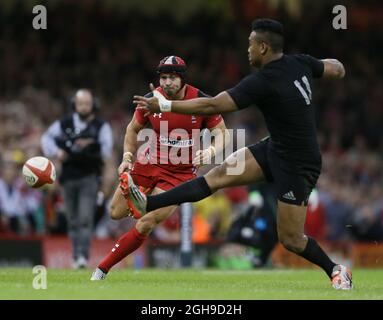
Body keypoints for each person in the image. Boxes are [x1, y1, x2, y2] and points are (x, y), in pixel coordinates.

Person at [127, 19, 353, 290]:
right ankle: (148, 205)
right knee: (219, 175)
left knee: (291, 239)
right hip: (275, 147)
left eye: (250, 45)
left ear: (263, 47)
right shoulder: (300, 62)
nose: (248, 50)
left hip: (298, 163)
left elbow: (211, 105)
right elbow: (336, 68)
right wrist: (337, 69)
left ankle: (336, 269)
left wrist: (165, 103)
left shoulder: (262, 81)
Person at [90, 56, 228, 280]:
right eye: (163, 77)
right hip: (148, 163)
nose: (167, 82)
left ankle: (101, 269)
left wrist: (211, 151)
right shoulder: (150, 100)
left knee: (146, 223)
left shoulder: (201, 101)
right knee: (115, 213)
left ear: (182, 79)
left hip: (179, 175)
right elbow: (132, 130)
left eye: (172, 77)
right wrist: (127, 157)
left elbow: (223, 134)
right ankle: (135, 193)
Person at [41, 89, 113, 268]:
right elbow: (46, 139)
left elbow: (106, 149)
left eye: (87, 104)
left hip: (89, 177)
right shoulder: (64, 123)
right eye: (81, 103)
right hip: (68, 178)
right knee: (72, 219)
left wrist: (89, 146)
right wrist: (57, 152)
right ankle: (75, 256)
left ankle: (83, 256)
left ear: (93, 105)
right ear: (75, 104)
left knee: (85, 217)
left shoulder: (100, 126)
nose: (84, 107)